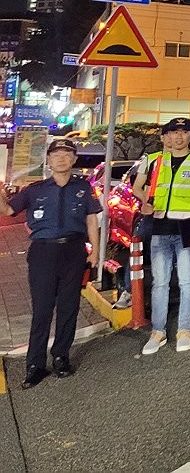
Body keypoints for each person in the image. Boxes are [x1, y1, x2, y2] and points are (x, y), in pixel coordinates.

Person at [0, 139, 99, 388]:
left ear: (74, 159)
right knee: (42, 309)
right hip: (43, 253)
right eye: (56, 154)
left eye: (67, 154)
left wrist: (95, 251)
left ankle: (61, 357)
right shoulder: (35, 189)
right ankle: (34, 365)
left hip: (74, 251)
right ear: (49, 160)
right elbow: (9, 212)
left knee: (69, 307)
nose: (62, 158)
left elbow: (91, 221)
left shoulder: (84, 188)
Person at [133, 117, 190, 355]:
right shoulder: (154, 161)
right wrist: (144, 202)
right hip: (160, 226)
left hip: (188, 226)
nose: (178, 137)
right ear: (166, 136)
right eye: (174, 132)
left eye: (184, 132)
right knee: (160, 282)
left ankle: (184, 329)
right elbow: (137, 187)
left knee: (187, 281)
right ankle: (158, 332)